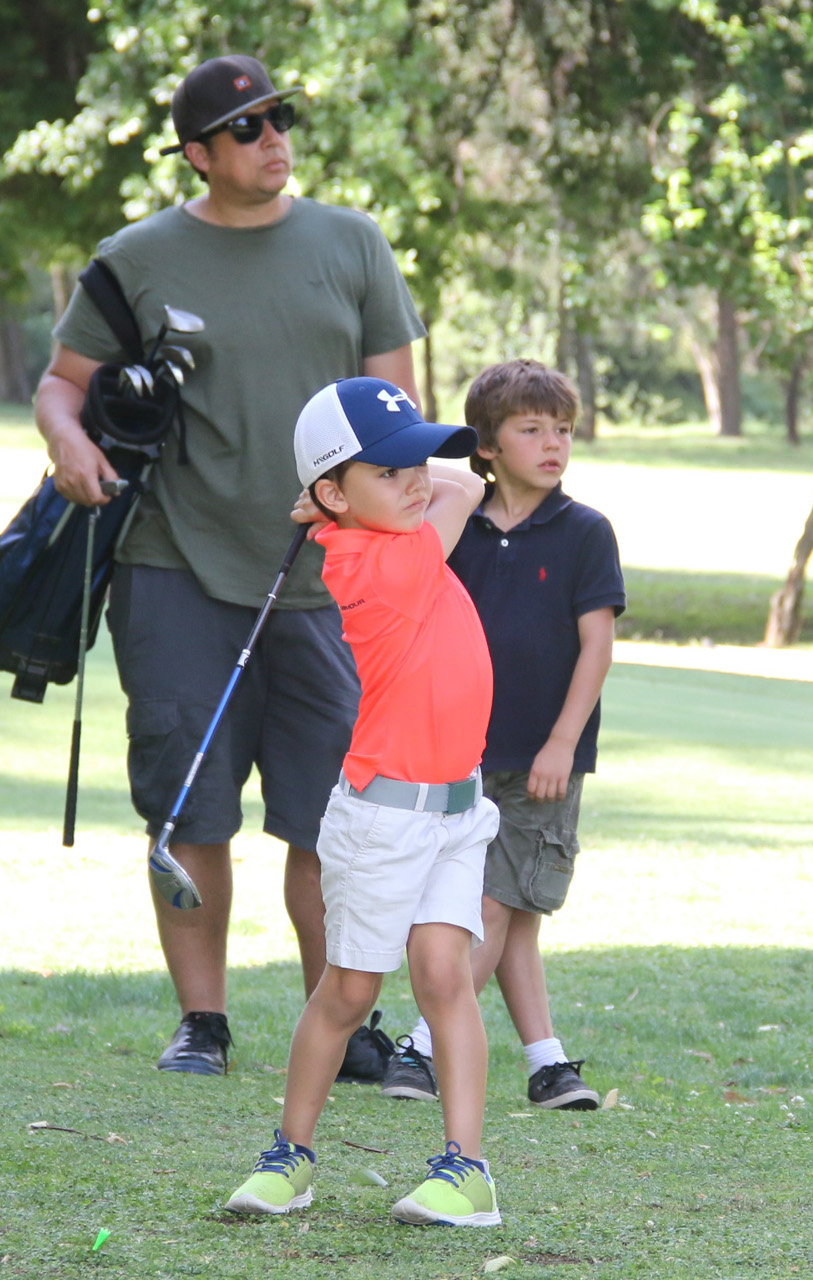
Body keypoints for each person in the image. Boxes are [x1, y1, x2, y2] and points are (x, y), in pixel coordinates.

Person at [34, 54, 424, 1081]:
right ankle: (200, 1021)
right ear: (198, 155)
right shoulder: (134, 258)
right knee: (188, 807)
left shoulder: (352, 242)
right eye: (247, 128)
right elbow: (61, 385)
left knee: (332, 820)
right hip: (176, 567)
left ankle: (340, 1023)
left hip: (332, 579)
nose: (273, 138)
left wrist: (380, 519)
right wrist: (69, 444)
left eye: (279, 118)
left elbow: (398, 416)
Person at [225, 377, 502, 1226]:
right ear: (337, 494)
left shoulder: (384, 527)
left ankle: (467, 1172)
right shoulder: (376, 562)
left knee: (445, 976)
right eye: (389, 471)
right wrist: (330, 505)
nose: (416, 481)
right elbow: (470, 488)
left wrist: (345, 492)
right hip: (383, 819)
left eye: (416, 461)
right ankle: (291, 1156)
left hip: (459, 810)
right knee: (348, 991)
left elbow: (457, 478)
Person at [380, 359, 625, 1111]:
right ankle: (548, 1065)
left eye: (563, 430)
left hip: (543, 759)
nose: (554, 444)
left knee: (494, 905)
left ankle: (422, 1049)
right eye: (531, 430)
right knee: (508, 912)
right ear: (486, 445)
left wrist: (562, 743)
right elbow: (403, 500)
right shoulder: (459, 526)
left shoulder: (585, 531)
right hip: (460, 754)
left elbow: (597, 645)